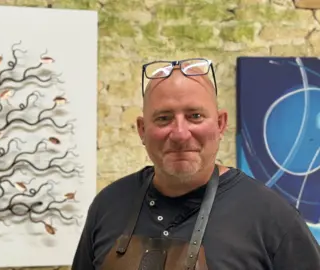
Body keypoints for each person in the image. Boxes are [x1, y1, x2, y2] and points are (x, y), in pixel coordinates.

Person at [71, 59, 320, 270]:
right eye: (164, 118)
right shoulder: (108, 205)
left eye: (195, 116)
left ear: (220, 124)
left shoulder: (272, 218)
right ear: (142, 130)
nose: (180, 133)